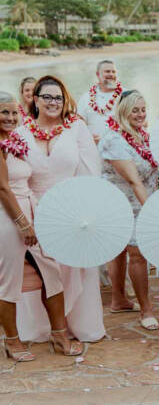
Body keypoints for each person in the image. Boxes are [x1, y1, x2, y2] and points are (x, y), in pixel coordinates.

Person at [14, 75, 104, 343]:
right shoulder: (20, 133)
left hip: (72, 208)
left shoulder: (76, 127)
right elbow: (16, 176)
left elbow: (91, 170)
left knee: (76, 268)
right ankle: (41, 327)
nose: (53, 102)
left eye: (58, 97)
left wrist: (87, 209)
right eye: (47, 97)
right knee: (41, 272)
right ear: (35, 100)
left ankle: (81, 324)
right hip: (34, 210)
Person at [0, 91, 83, 359]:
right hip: (8, 217)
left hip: (32, 211)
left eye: (14, 112)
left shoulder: (14, 141)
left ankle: (59, 335)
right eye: (4, 112)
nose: (11, 117)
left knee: (52, 272)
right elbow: (2, 189)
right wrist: (23, 224)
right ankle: (12, 341)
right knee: (8, 280)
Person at [99, 90, 159, 329]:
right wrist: (154, 210)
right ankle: (146, 310)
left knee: (121, 251)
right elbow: (134, 180)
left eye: (143, 109)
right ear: (123, 111)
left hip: (141, 198)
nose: (140, 114)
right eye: (135, 110)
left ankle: (118, 300)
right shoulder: (114, 139)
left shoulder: (142, 135)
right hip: (123, 203)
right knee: (135, 252)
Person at [76, 60, 122, 142]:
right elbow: (79, 125)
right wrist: (87, 137)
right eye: (107, 71)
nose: (111, 74)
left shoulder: (126, 95)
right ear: (98, 75)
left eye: (113, 72)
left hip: (120, 148)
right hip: (94, 148)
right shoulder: (86, 98)